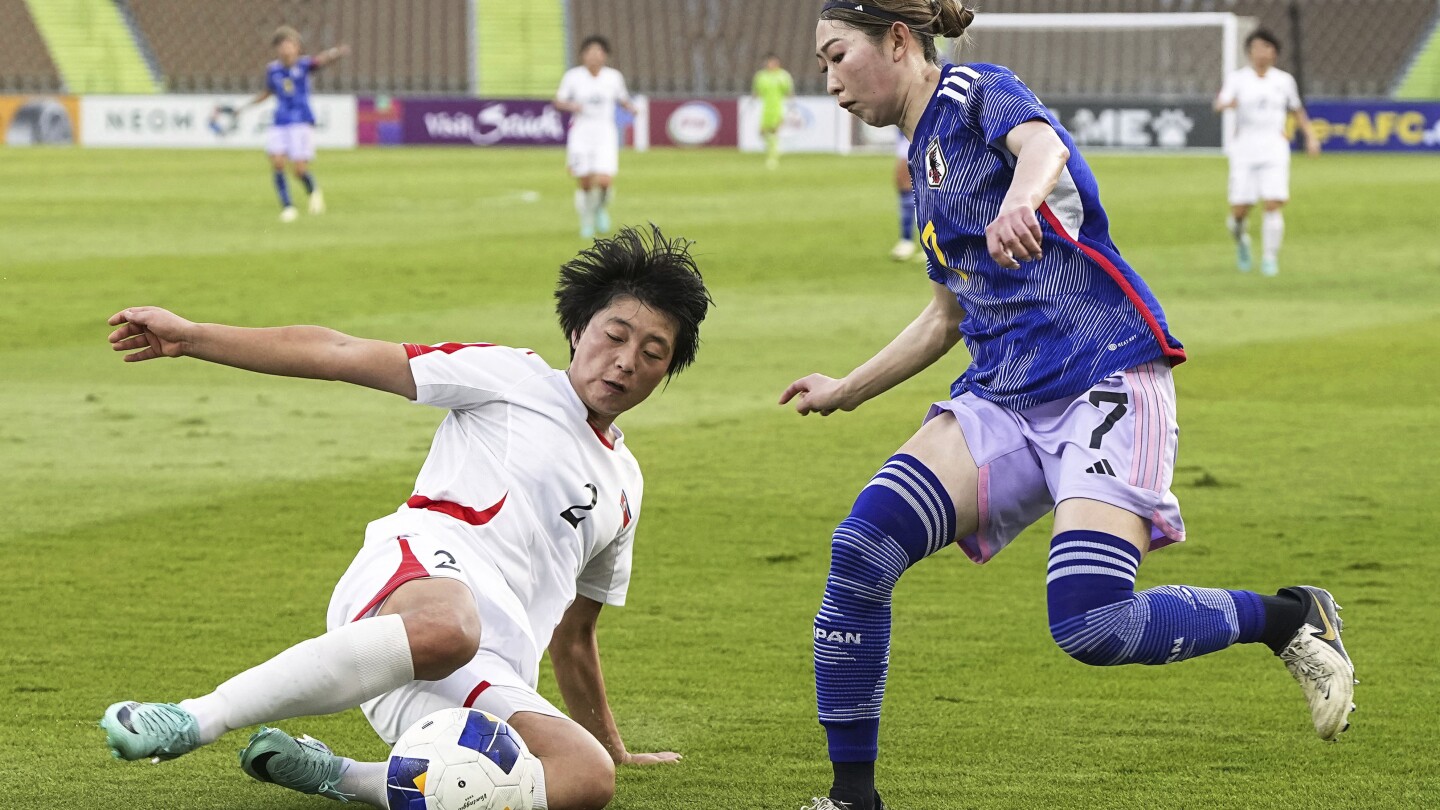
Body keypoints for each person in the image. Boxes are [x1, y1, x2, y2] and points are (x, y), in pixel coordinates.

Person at [786, 3, 1355, 809]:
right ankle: (852, 798)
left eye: (836, 55)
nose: (830, 77)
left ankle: (1290, 617)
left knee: (1091, 624)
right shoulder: (925, 160)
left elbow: (1044, 144)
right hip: (1003, 399)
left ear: (900, 42)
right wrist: (846, 388)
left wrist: (1023, 198)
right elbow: (948, 315)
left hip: (1106, 377)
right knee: (861, 553)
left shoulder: (976, 90)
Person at [99, 225, 712, 810]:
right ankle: (193, 717)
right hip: (411, 588)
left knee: (585, 780)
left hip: (475, 671)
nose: (626, 360)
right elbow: (341, 351)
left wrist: (613, 749)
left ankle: (339, 775)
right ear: (578, 330)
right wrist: (192, 336)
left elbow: (575, 636)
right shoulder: (513, 377)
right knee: (451, 625)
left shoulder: (625, 485)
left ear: (665, 372)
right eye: (615, 334)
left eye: (652, 352)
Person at [1214, 28, 1320, 276]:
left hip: (1274, 146)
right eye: (1255, 48)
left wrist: (1311, 136)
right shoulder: (1237, 79)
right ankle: (1242, 242)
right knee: (1240, 210)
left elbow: (1297, 110)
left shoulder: (1284, 81)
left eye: (1266, 47)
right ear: (1249, 52)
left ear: (1274, 52)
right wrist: (1224, 104)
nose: (1260, 52)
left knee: (1273, 202)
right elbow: (1219, 103)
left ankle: (1270, 258)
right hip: (1244, 149)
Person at [237, 26, 348, 223]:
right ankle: (288, 206)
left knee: (299, 170)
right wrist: (246, 107)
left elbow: (320, 60)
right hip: (280, 121)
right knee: (277, 162)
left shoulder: (304, 66)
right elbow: (268, 92)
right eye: (282, 45)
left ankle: (313, 190)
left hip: (301, 121)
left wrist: (336, 52)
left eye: (289, 45)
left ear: (297, 48)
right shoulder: (273, 70)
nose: (285, 49)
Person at [555, 36, 637, 240]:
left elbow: (622, 98)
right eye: (589, 52)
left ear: (605, 55)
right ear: (583, 55)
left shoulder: (613, 77)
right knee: (584, 181)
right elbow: (558, 101)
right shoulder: (573, 76)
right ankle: (586, 221)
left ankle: (600, 209)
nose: (593, 56)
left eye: (598, 52)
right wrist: (571, 105)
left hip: (605, 134)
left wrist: (631, 108)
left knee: (604, 180)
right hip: (581, 134)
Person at [753, 53, 795, 170]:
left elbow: (789, 91)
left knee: (775, 131)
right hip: (765, 108)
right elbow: (757, 92)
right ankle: (773, 149)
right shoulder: (761, 76)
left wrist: (791, 105)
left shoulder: (783, 76)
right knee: (762, 132)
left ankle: (773, 157)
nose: (771, 64)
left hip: (779, 107)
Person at [890, 129, 916, 260]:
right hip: (906, 130)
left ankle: (907, 240)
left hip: (918, 127)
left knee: (904, 179)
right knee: (903, 181)